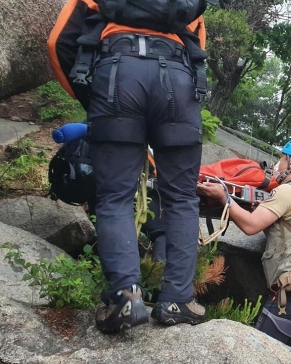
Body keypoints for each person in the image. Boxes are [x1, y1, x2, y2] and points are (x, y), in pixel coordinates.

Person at [89, 11, 207, 332]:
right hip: (179, 83)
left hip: (117, 76)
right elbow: (197, 44)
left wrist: (94, 98)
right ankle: (178, 300)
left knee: (116, 197)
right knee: (181, 197)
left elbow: (60, 41)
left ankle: (125, 297)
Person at [197, 138, 291, 363]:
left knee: (258, 355)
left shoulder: (288, 192)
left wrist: (225, 198)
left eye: (282, 158)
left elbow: (250, 226)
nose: (277, 164)